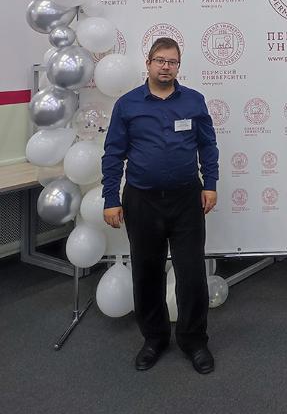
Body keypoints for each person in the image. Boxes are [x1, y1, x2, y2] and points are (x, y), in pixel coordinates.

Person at [102, 37, 219, 374]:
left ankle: (194, 340)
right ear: (149, 63)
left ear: (178, 66)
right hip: (142, 200)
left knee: (191, 274)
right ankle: (154, 338)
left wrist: (210, 184)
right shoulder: (127, 104)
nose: (166, 67)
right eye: (160, 61)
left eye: (172, 62)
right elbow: (113, 154)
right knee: (147, 272)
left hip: (186, 200)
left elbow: (207, 146)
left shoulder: (194, 101)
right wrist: (111, 198)